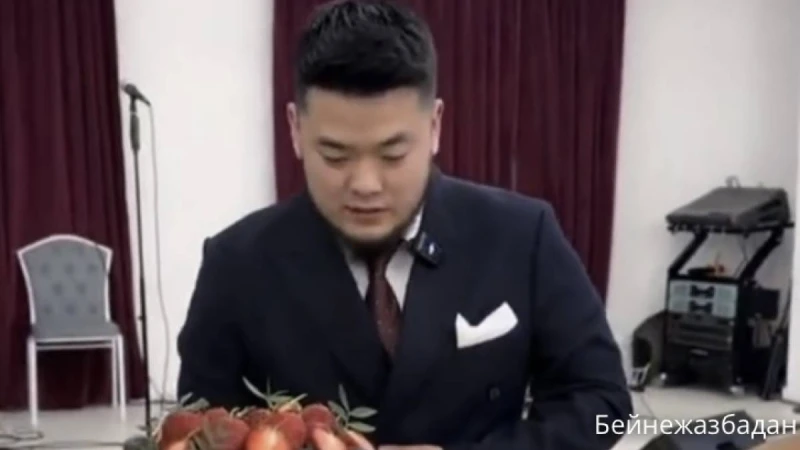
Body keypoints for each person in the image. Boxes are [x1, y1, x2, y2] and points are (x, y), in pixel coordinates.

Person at [176, 0, 632, 449]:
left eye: (393, 154)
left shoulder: (522, 236)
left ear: (435, 126)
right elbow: (199, 435)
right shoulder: (235, 265)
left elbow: (605, 407)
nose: (366, 185)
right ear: (295, 129)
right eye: (335, 155)